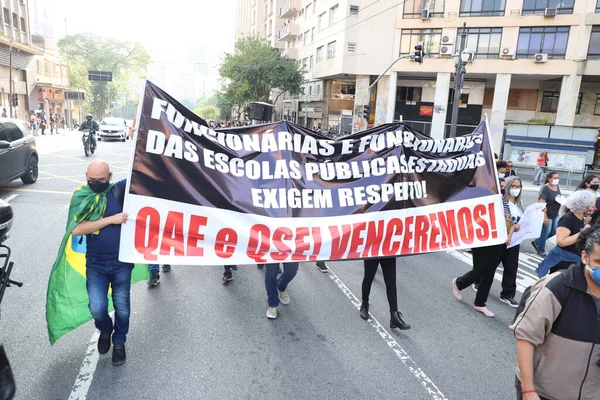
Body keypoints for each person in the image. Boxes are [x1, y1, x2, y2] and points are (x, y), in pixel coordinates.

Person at [510, 225, 600, 400]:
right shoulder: (557, 287)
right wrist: (528, 390)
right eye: (599, 262)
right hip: (545, 393)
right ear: (585, 257)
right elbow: (526, 337)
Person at [70, 161, 132, 365]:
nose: (96, 183)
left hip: (121, 262)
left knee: (122, 307)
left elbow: (143, 175)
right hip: (96, 264)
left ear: (110, 177)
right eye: (92, 180)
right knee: (97, 307)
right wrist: (110, 220)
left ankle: (120, 341)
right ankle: (105, 329)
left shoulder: (119, 190)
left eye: (101, 180)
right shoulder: (82, 196)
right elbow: (76, 229)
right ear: (86, 175)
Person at [453, 169, 518, 317]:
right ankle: (459, 283)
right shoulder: (477, 193)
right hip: (481, 237)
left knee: (490, 271)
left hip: (498, 238)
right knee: (480, 269)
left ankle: (480, 303)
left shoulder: (502, 198)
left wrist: (508, 234)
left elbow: (508, 216)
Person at [537, 190, 596, 278]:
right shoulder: (568, 219)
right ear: (584, 205)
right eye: (592, 205)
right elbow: (561, 241)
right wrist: (582, 232)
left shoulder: (581, 218)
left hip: (573, 260)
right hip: (564, 261)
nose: (593, 208)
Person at [359, 257, 410, 329]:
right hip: (372, 250)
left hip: (387, 250)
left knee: (391, 282)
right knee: (368, 277)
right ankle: (364, 304)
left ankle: (394, 315)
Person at [532, 172, 561, 257]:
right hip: (547, 214)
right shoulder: (545, 188)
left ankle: (537, 242)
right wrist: (544, 217)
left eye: (557, 177)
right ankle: (541, 250)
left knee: (554, 231)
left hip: (555, 213)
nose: (557, 179)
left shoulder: (556, 187)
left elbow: (558, 197)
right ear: (549, 179)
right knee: (545, 232)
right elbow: (542, 203)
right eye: (554, 178)